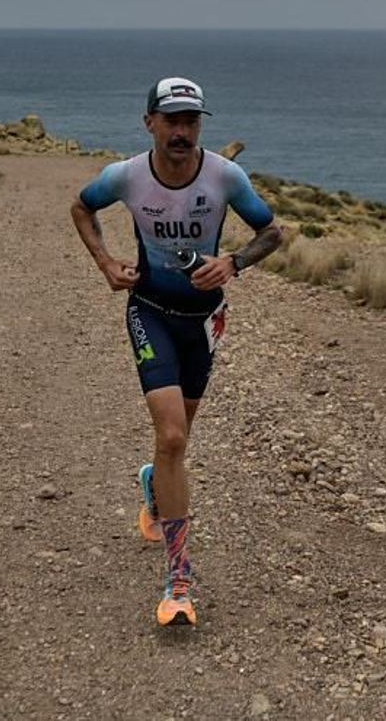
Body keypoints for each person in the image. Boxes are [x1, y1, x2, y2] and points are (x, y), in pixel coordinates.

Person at [69, 77, 284, 627]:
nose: (183, 132)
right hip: (149, 312)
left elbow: (271, 232)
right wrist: (105, 263)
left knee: (178, 440)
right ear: (150, 124)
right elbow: (80, 207)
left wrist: (235, 262)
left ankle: (153, 486)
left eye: (192, 121)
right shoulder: (125, 176)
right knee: (170, 437)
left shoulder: (225, 176)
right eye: (172, 121)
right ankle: (179, 581)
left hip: (205, 321)